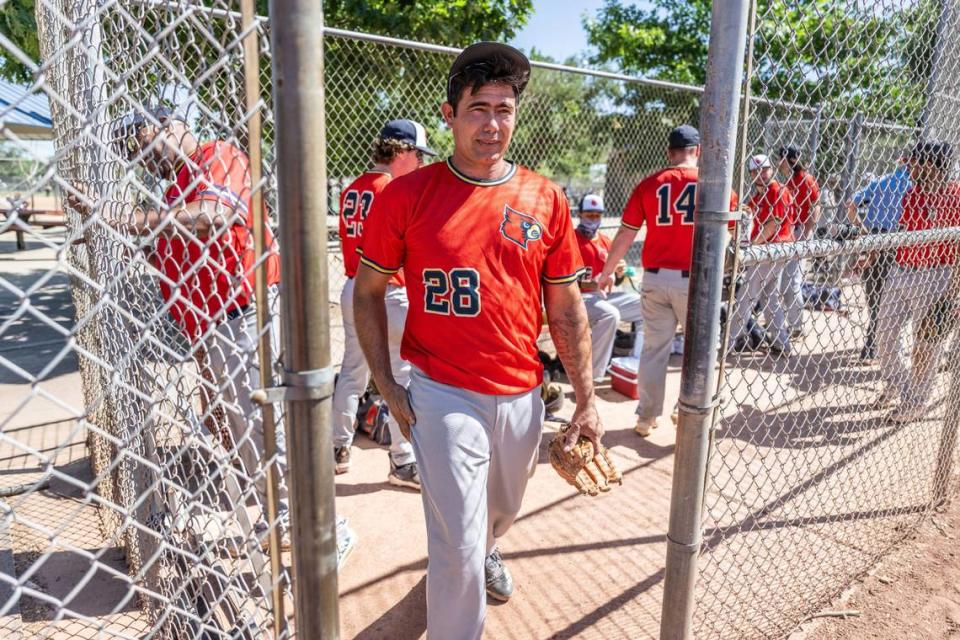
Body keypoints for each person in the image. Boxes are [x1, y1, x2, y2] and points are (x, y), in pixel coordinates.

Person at [353, 42, 601, 639]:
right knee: (456, 543)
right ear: (449, 113)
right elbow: (366, 293)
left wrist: (588, 398)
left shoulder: (544, 196)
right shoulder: (406, 196)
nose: (492, 123)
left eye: (503, 109)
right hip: (441, 392)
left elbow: (564, 306)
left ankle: (488, 546)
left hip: (522, 391)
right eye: (477, 108)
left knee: (500, 513)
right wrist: (387, 384)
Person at [68, 105, 288, 542]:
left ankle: (294, 515)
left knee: (259, 420)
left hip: (245, 312)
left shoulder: (218, 156)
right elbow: (166, 254)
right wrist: (113, 232)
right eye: (134, 152)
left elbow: (213, 216)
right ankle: (277, 505)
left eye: (145, 140)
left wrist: (123, 219)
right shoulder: (173, 194)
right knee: (237, 423)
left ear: (173, 125)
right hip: (209, 324)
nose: (142, 156)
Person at [595, 125, 736, 437]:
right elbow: (734, 232)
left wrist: (607, 272)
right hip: (695, 282)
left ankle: (646, 417)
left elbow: (626, 233)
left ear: (670, 152)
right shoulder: (716, 185)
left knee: (654, 350)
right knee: (700, 351)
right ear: (698, 151)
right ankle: (685, 410)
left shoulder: (648, 185)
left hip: (655, 280)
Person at [330, 119, 435, 489]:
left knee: (352, 371)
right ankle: (403, 461)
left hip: (352, 288)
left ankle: (339, 449)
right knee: (401, 373)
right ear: (401, 151)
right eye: (418, 154)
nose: (421, 162)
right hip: (388, 292)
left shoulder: (351, 188)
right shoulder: (397, 189)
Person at [874, 141, 960, 422]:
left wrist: (955, 290)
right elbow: (904, 231)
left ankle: (915, 402)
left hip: (937, 275)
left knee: (926, 346)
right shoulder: (912, 194)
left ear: (931, 166)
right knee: (884, 337)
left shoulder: (955, 194)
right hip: (901, 270)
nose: (908, 166)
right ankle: (900, 386)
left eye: (914, 162)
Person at [727, 153, 795, 357]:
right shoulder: (756, 198)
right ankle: (781, 342)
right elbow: (749, 222)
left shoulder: (779, 191)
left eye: (764, 169)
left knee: (746, 295)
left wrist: (752, 247)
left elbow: (774, 224)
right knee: (770, 298)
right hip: (765, 252)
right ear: (751, 175)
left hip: (773, 250)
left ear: (772, 170)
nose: (761, 174)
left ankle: (728, 342)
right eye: (756, 171)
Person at [847, 156, 911, 361]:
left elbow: (851, 205)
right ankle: (875, 343)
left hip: (873, 238)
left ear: (900, 161)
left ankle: (874, 342)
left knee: (874, 296)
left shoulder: (879, 181)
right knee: (891, 299)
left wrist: (862, 230)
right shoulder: (913, 186)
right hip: (896, 242)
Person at [574, 193, 643, 381]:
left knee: (646, 306)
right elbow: (564, 283)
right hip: (578, 299)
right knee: (610, 314)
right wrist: (593, 283)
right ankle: (592, 376)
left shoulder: (606, 241)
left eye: (597, 216)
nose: (593, 219)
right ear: (579, 214)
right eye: (589, 215)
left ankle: (636, 363)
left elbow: (615, 282)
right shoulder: (570, 241)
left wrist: (618, 274)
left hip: (602, 297)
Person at [778, 146, 821, 337]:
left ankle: (796, 326)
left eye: (782, 159)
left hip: (800, 230)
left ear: (790, 160)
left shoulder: (806, 179)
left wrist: (806, 233)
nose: (779, 163)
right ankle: (790, 321)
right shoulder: (789, 180)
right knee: (784, 280)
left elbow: (815, 207)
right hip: (789, 231)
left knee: (792, 280)